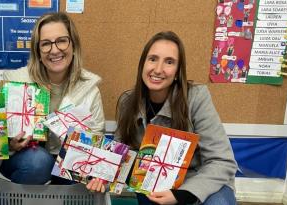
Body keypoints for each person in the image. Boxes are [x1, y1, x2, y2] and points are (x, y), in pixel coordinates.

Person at [87, 31, 237, 205]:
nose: (158, 69)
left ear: (178, 71)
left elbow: (222, 161)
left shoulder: (196, 97)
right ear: (142, 63)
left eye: (169, 62)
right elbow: (121, 156)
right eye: (152, 59)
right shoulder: (128, 101)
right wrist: (103, 177)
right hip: (154, 184)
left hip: (201, 186)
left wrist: (182, 195)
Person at [0, 12, 105, 184]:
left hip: (67, 161)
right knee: (39, 162)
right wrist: (10, 144)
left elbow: (96, 139)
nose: (54, 50)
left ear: (74, 45)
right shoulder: (16, 81)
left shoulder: (89, 89)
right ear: (38, 52)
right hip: (24, 159)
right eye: (46, 44)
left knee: (79, 176)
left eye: (62, 41)